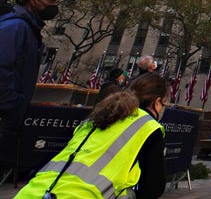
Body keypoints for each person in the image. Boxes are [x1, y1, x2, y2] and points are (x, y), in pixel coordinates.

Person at [15, 73, 169, 199]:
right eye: (164, 104)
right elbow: (153, 188)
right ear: (157, 102)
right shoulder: (148, 126)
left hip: (33, 192)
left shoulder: (93, 119)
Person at [0, 0, 62, 144]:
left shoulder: (29, 29)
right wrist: (11, 106)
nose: (54, 5)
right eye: (50, 0)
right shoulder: (15, 27)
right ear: (33, 0)